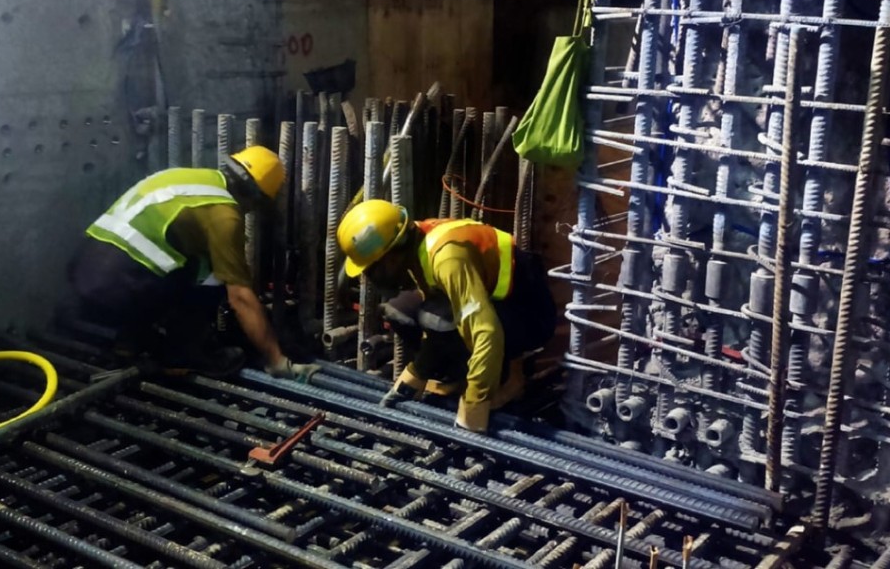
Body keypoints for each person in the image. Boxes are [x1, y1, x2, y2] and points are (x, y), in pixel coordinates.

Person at [70, 145, 319, 380]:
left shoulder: (190, 178)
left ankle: (130, 342)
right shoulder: (225, 217)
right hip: (118, 287)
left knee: (185, 261)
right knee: (213, 279)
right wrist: (276, 358)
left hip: (84, 272)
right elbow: (240, 297)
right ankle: (183, 354)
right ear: (256, 197)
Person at [337, 200, 556, 432]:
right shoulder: (416, 243)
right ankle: (462, 376)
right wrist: (415, 377)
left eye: (372, 269)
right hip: (494, 300)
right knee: (404, 310)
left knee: (458, 324)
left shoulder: (447, 259)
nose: (371, 277)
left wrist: (473, 409)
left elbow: (486, 333)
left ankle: (511, 380)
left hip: (530, 313)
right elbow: (438, 316)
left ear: (391, 254)